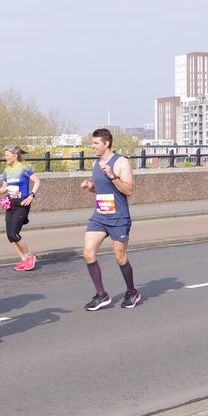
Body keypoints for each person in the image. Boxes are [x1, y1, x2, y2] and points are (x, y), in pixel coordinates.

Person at [80, 128, 140, 310]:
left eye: (95, 143)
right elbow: (103, 190)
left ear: (106, 143)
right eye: (92, 143)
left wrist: (113, 176)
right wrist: (90, 188)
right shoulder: (96, 164)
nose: (92, 146)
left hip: (119, 218)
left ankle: (132, 292)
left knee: (120, 258)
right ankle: (101, 295)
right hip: (99, 217)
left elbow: (128, 190)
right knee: (88, 253)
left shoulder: (121, 162)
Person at [0, 144, 41, 270]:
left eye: (7, 155)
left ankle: (29, 256)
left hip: (22, 204)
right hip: (11, 204)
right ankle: (23, 259)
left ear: (15, 156)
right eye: (5, 155)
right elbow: (4, 187)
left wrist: (31, 195)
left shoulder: (24, 168)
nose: (5, 158)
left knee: (14, 233)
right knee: (10, 235)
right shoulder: (7, 170)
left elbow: (37, 181)